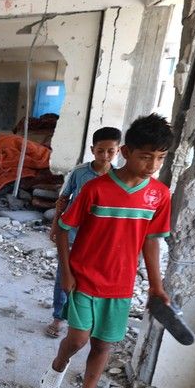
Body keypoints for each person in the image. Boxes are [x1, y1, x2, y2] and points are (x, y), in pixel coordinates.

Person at [40, 114, 173, 388]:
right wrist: (68, 271)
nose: (153, 164)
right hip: (85, 277)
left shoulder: (159, 195)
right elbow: (62, 228)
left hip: (121, 284)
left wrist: (156, 286)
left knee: (103, 345)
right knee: (78, 338)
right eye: (146, 156)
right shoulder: (95, 189)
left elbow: (151, 242)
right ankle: (60, 363)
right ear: (126, 152)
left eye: (160, 158)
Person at [45, 126, 122, 339]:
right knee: (65, 274)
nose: (105, 156)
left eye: (111, 151)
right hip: (71, 233)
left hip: (99, 238)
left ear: (119, 151)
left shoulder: (118, 177)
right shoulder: (80, 173)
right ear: (92, 149)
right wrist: (55, 226)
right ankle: (58, 316)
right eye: (100, 151)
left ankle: (81, 317)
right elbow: (63, 200)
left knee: (89, 278)